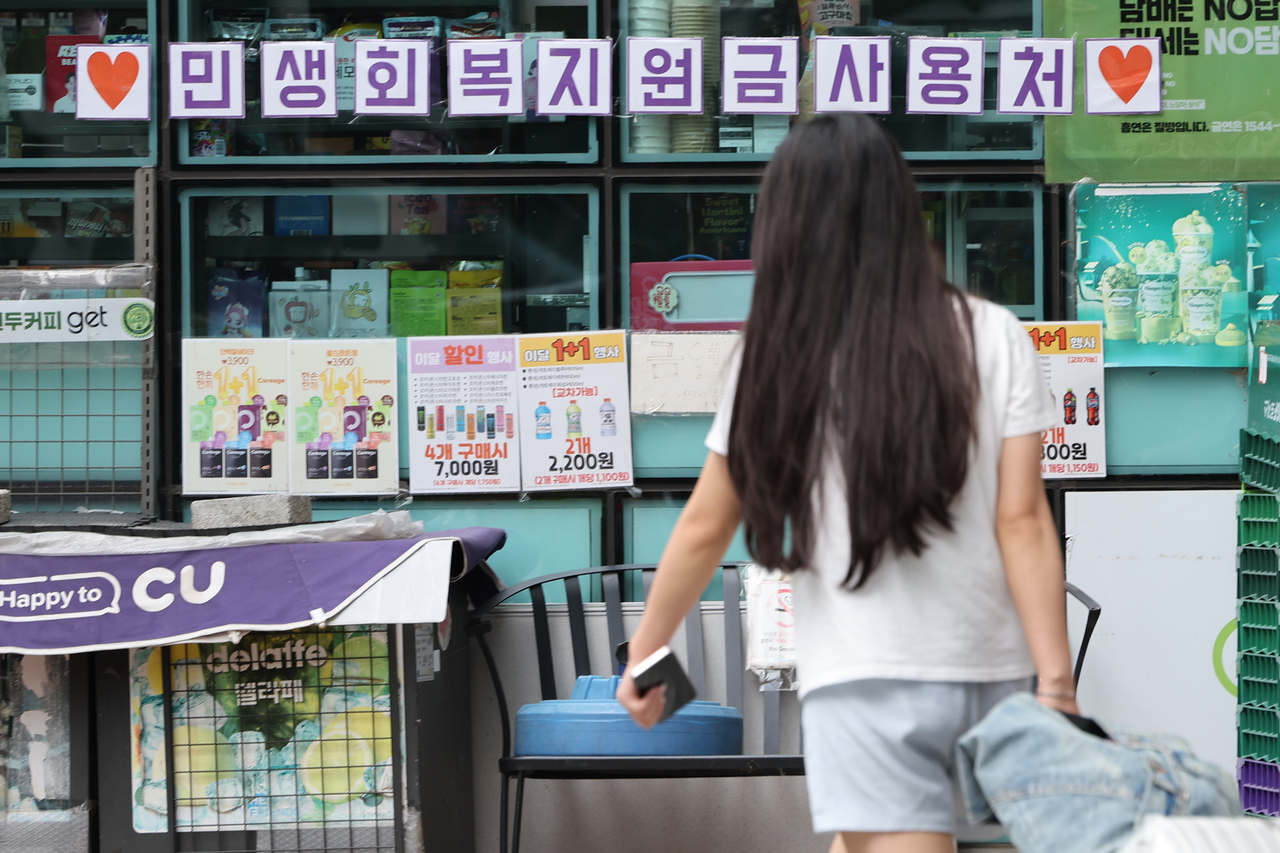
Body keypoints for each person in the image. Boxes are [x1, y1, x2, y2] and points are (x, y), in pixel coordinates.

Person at [617, 113, 1077, 853]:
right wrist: (1056, 682)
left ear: (787, 224)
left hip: (863, 675)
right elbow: (1022, 520)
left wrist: (645, 652)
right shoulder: (995, 333)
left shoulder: (779, 358)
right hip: (988, 670)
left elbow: (706, 524)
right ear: (902, 209)